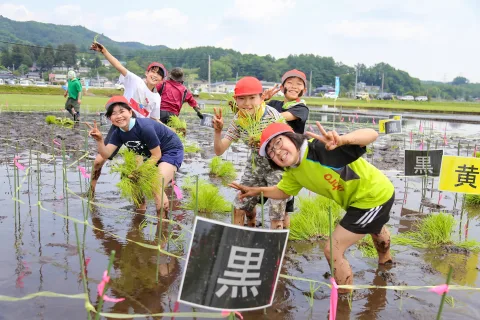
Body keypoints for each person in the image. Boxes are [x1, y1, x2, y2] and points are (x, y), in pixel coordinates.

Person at [230, 121, 394, 291]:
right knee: (375, 225)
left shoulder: (319, 148)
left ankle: (344, 300)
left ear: (292, 137)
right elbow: (283, 191)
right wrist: (255, 191)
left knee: (333, 250)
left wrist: (344, 140)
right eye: (270, 151)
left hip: (373, 197)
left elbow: (371, 134)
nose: (277, 151)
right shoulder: (293, 170)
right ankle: (386, 264)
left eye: (278, 142)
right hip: (360, 200)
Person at [89, 41, 167, 203]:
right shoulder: (134, 80)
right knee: (98, 161)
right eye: (152, 71)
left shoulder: (156, 98)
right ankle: (91, 191)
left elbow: (154, 119)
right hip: (120, 126)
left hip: (139, 133)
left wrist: (170, 131)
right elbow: (118, 65)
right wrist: (104, 51)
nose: (155, 74)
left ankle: (139, 205)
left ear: (161, 79)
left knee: (135, 171)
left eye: (159, 74)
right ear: (146, 73)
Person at [87, 96, 184, 215]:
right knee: (129, 178)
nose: (118, 116)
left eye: (122, 111)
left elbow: (156, 155)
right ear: (110, 118)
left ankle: (162, 225)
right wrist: (100, 140)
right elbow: (106, 154)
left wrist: (140, 172)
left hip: (170, 151)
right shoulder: (118, 133)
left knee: (156, 184)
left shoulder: (144, 127)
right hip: (150, 153)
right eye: (113, 114)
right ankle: (140, 211)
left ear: (130, 112)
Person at [212, 76, 288, 229]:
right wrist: (218, 131)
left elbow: (288, 145)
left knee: (276, 213)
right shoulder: (238, 120)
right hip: (255, 165)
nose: (247, 104)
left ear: (261, 98)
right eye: (241, 99)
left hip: (277, 165)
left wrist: (266, 143)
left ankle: (276, 248)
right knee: (240, 204)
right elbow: (219, 150)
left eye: (252, 98)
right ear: (235, 100)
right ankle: (243, 234)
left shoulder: (272, 116)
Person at [262, 69, 310, 220]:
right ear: (282, 88)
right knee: (261, 197)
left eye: (298, 84)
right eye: (289, 83)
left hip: (289, 159)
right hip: (271, 155)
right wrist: (263, 99)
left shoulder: (301, 108)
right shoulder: (274, 103)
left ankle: (284, 236)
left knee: (285, 206)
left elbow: (278, 118)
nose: (294, 86)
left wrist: (262, 106)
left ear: (304, 89)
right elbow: (255, 115)